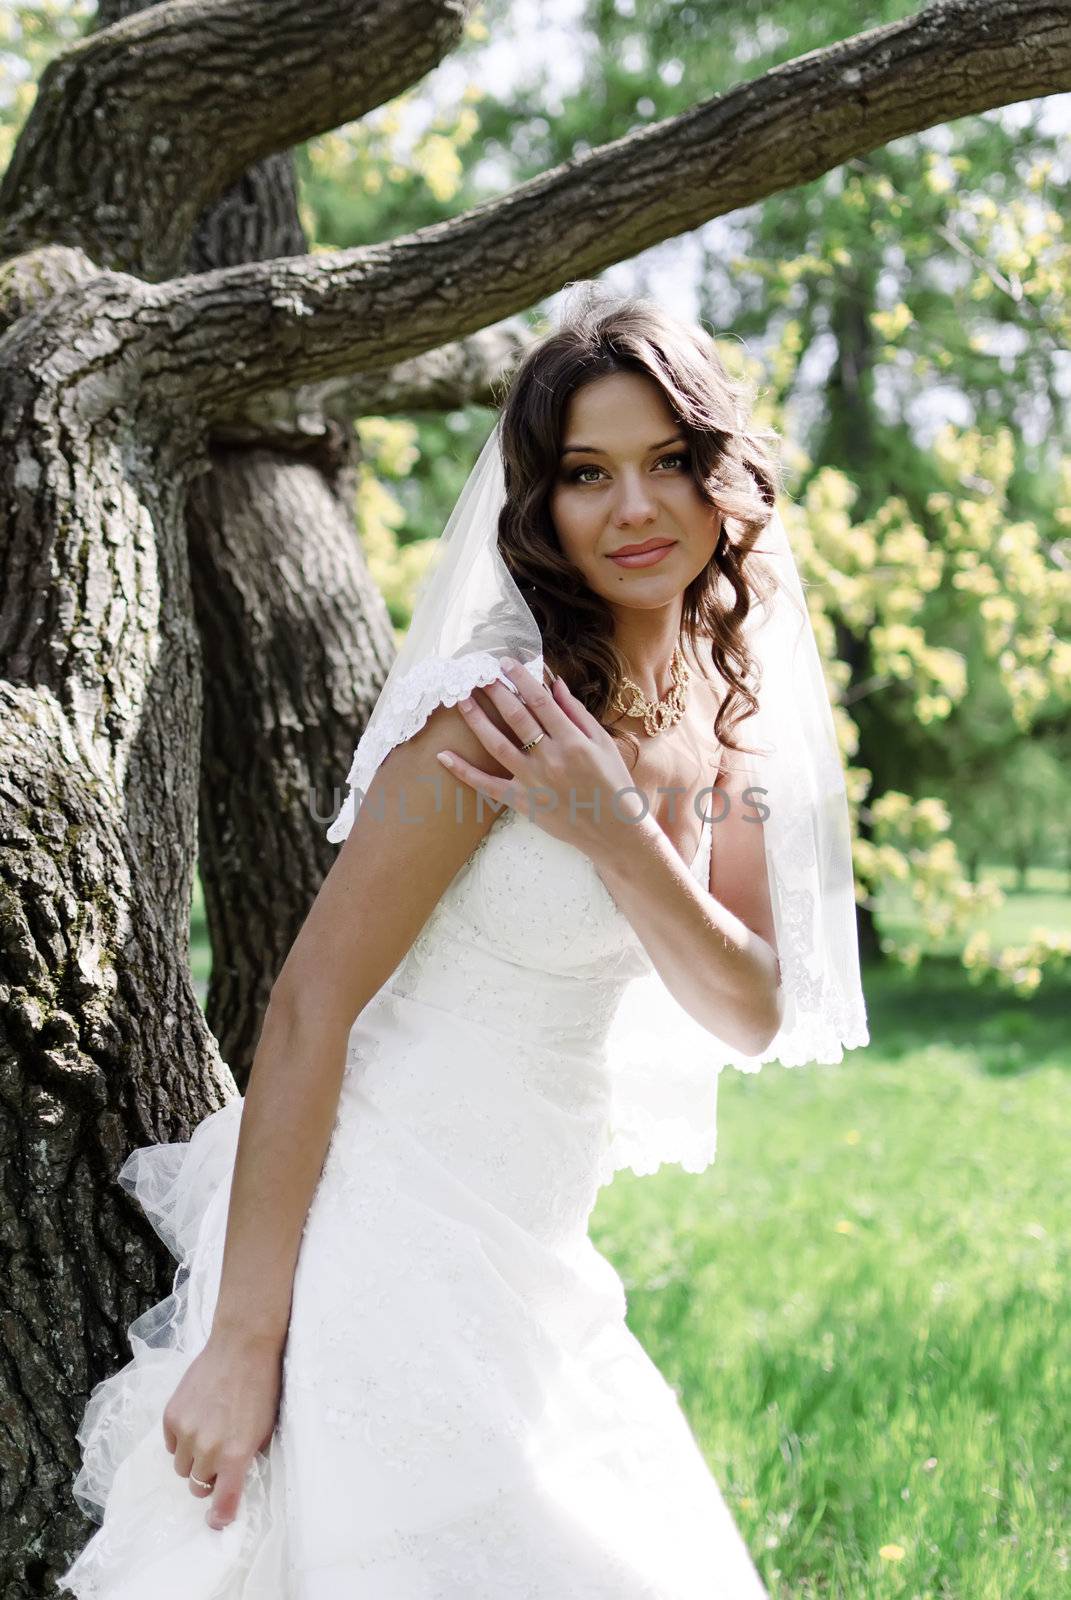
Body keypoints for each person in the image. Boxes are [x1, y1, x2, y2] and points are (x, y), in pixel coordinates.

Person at [56, 285, 868, 1597]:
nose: (636, 510)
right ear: (540, 508)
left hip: (539, 1257)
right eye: (587, 475)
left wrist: (618, 838)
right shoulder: (491, 715)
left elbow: (754, 1007)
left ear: (722, 477)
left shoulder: (727, 724)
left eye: (668, 463)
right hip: (383, 1227)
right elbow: (311, 1005)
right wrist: (246, 1342)